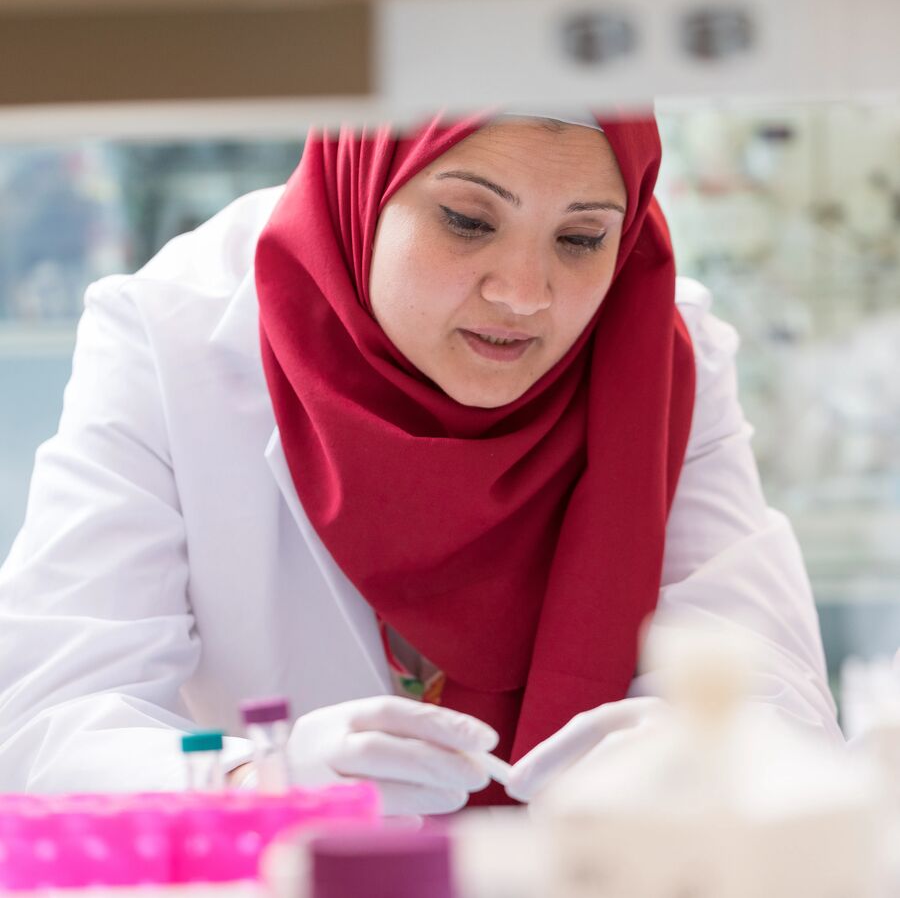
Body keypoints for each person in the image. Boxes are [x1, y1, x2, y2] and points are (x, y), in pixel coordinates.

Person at [0, 111, 841, 814]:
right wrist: (259, 778)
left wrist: (702, 753)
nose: (524, 291)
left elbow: (784, 706)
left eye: (581, 238)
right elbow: (50, 727)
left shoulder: (656, 356)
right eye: (468, 221)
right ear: (367, 181)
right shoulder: (170, 336)